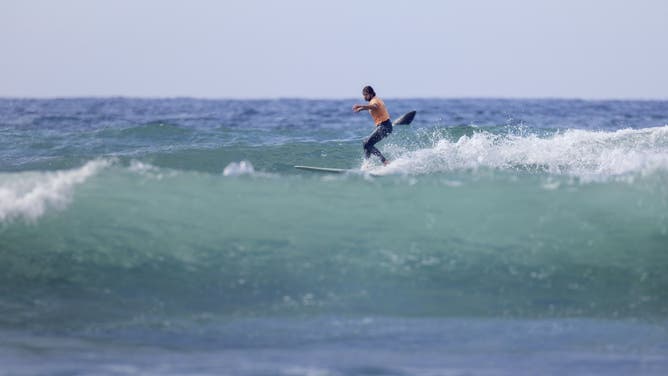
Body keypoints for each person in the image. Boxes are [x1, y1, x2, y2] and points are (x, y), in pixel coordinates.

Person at [352, 85, 392, 166]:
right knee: (367, 144)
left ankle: (384, 161)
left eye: (365, 95)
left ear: (371, 94)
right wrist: (363, 108)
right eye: (363, 95)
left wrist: (361, 106)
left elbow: (374, 106)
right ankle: (367, 165)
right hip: (385, 126)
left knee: (366, 143)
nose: (364, 97)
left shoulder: (375, 100)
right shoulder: (374, 100)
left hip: (384, 126)